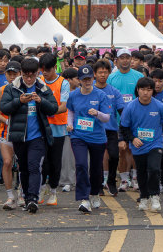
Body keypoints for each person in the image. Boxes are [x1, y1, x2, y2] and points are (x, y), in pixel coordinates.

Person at [0, 58, 59, 213]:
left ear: (37, 73)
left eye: (32, 75)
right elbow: (4, 108)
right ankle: (26, 197)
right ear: (21, 74)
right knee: (23, 168)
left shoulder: (42, 87)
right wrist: (19, 100)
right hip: (19, 136)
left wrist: (41, 101)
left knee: (34, 166)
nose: (29, 79)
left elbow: (53, 108)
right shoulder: (12, 88)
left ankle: (33, 198)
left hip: (38, 136)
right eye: (26, 75)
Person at [120, 77, 163, 212]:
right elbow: (123, 127)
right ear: (137, 90)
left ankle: (155, 195)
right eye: (142, 89)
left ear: (153, 91)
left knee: (154, 168)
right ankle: (144, 197)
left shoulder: (160, 106)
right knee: (142, 172)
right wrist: (132, 139)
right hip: (138, 145)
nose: (145, 93)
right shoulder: (130, 107)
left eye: (149, 90)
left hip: (155, 143)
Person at [66, 65, 112, 213]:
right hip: (78, 136)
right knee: (81, 164)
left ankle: (94, 193)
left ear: (93, 78)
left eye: (89, 78)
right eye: (84, 79)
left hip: (97, 137)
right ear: (79, 80)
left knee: (96, 168)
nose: (87, 81)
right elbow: (70, 111)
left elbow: (106, 118)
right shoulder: (73, 95)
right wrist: (70, 123)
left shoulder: (101, 95)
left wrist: (97, 113)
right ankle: (84, 198)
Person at [108, 49, 144, 192]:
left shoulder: (139, 76)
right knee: (122, 150)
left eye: (127, 57)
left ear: (131, 59)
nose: (124, 60)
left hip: (136, 119)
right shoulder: (111, 78)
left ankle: (135, 178)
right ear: (116, 60)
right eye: (121, 57)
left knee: (135, 149)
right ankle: (123, 179)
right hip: (117, 120)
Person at [39, 53, 70, 206]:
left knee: (55, 161)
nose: (45, 72)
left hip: (58, 127)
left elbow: (63, 106)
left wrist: (49, 110)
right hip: (41, 126)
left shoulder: (63, 83)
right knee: (42, 160)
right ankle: (41, 188)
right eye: (42, 69)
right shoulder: (38, 81)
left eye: (48, 69)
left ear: (54, 68)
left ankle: (53, 191)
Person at [92, 60, 124, 196]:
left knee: (114, 156)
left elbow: (123, 111)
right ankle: (98, 184)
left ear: (109, 73)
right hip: (94, 130)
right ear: (95, 74)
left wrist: (124, 132)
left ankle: (111, 181)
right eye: (100, 72)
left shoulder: (114, 91)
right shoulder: (89, 90)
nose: (103, 75)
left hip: (111, 130)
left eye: (105, 72)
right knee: (97, 158)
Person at [0, 61, 20, 209]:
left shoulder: (25, 90)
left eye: (14, 73)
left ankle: (22, 192)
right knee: (7, 162)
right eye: (9, 73)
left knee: (24, 164)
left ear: (20, 74)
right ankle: (10, 196)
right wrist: (8, 121)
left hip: (23, 132)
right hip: (5, 131)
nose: (11, 76)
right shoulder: (1, 90)